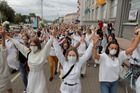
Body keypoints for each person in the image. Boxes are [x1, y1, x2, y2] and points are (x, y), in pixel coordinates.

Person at [92, 28, 140, 93]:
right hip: (104, 82)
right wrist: (94, 45)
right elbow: (95, 56)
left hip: (114, 82)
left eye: (115, 48)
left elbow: (132, 48)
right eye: (112, 48)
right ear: (108, 48)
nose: (113, 49)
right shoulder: (104, 56)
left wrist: (138, 36)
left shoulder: (120, 56)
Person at [0, 26, 12, 93]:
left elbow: (3, 47)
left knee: (9, 88)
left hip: (4, 75)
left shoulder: (2, 49)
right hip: (4, 75)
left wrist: (3, 36)